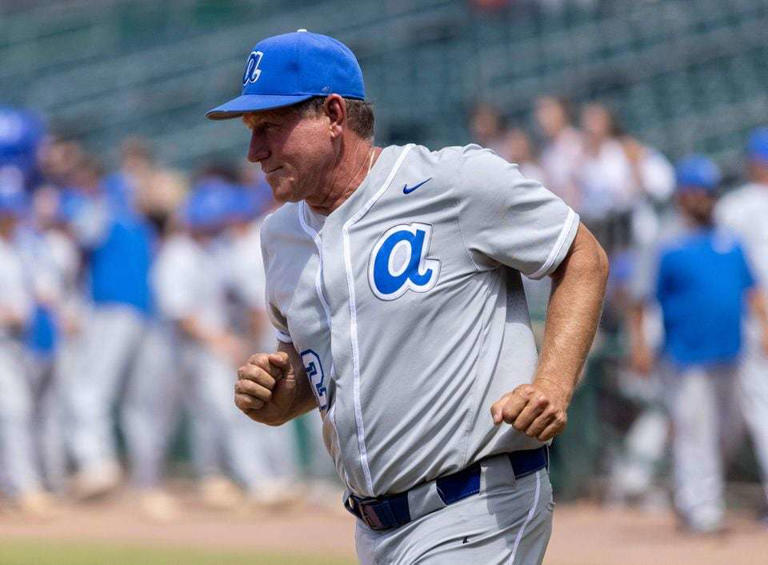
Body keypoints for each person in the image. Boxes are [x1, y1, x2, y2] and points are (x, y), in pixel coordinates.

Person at [208, 30, 608, 564]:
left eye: (270, 128)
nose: (255, 151)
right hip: (374, 530)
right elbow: (318, 369)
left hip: (480, 509)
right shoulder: (279, 237)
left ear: (332, 115)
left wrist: (554, 383)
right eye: (252, 131)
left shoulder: (453, 183)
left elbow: (583, 257)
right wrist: (283, 395)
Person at [630, 156, 768, 534]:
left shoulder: (727, 237)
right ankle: (701, 508)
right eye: (702, 191)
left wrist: (765, 325)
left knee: (729, 432)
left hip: (732, 351)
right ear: (685, 195)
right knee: (696, 433)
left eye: (711, 191)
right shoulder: (664, 241)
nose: (709, 198)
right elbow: (640, 300)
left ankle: (693, 494)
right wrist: (639, 345)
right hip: (686, 355)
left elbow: (752, 289)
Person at [715, 128, 768, 523]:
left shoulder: (736, 205)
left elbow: (724, 267)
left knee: (761, 407)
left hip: (754, 315)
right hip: (754, 312)